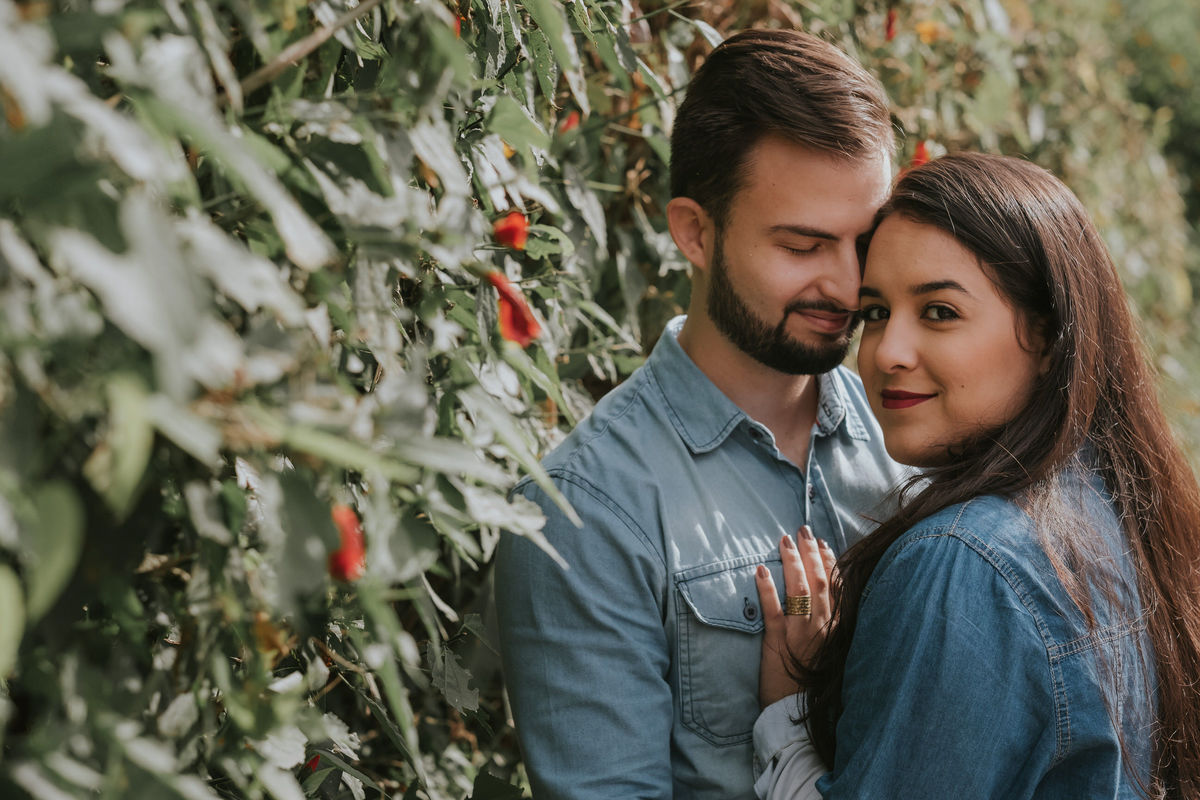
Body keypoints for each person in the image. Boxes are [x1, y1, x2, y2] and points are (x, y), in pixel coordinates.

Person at [494, 29, 910, 799]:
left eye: (865, 242)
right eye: (804, 246)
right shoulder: (586, 515)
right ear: (694, 231)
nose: (849, 287)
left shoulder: (909, 440)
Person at [751, 153, 1200, 798]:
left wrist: (787, 715)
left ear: (1047, 340)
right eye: (875, 312)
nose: (888, 352)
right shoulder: (1108, 504)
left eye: (939, 312)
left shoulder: (966, 564)